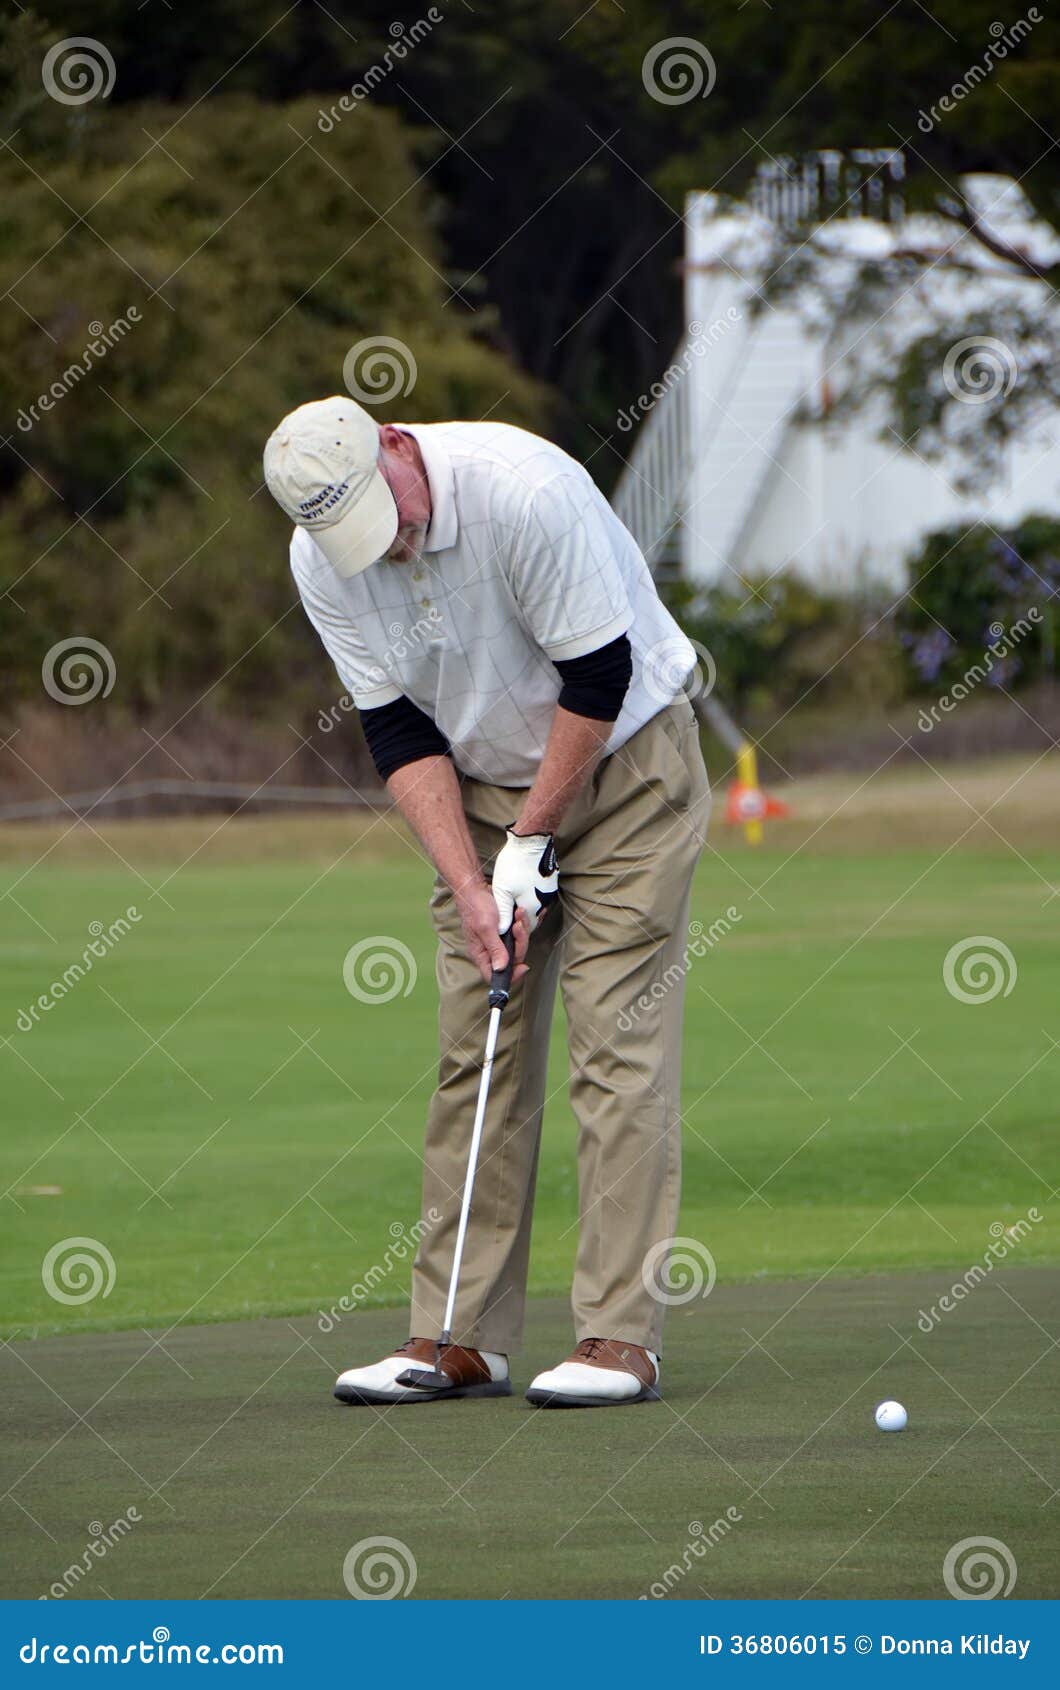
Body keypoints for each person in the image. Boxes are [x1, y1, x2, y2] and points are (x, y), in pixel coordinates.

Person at [264, 395, 710, 1407]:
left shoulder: (525, 492)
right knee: (478, 1047)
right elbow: (397, 734)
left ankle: (616, 1337)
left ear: (392, 443)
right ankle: (458, 1335)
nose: (392, 545)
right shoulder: (319, 562)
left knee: (615, 1045)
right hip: (476, 787)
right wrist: (474, 883)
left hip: (628, 761)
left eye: (393, 515)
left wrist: (531, 840)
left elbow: (598, 675)